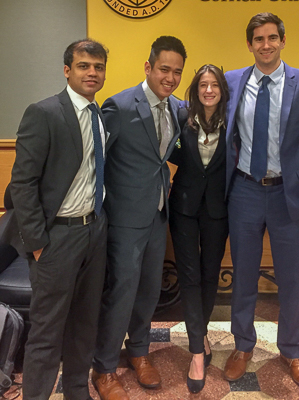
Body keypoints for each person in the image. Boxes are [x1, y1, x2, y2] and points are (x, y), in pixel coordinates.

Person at [223, 12, 299, 391]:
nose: (265, 45)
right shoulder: (231, 81)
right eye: (258, 39)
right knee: (243, 276)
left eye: (272, 38)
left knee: (290, 280)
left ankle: (292, 350)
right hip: (245, 191)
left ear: (283, 41)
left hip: (291, 194)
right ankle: (242, 346)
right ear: (250, 43)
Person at [9, 39, 109, 400]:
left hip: (94, 232)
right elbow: (22, 183)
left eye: (98, 66)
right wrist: (37, 243)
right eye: (84, 66)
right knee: (48, 332)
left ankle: (77, 392)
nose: (92, 73)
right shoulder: (45, 112)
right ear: (67, 70)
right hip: (56, 239)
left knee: (85, 326)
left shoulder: (101, 116)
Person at [91, 36, 187, 400]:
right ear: (148, 67)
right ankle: (103, 367)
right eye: (164, 69)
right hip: (124, 218)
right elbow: (97, 163)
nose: (171, 77)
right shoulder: (118, 105)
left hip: (158, 214)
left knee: (149, 290)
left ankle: (139, 351)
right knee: (121, 292)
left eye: (177, 72)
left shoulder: (178, 108)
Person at [168, 64, 229, 394]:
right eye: (203, 85)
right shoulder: (181, 119)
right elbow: (170, 153)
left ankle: (200, 331)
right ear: (195, 90)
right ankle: (196, 352)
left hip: (220, 209)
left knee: (210, 274)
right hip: (184, 208)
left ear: (222, 89)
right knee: (189, 276)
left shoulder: (233, 123)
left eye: (214, 85)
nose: (208, 90)